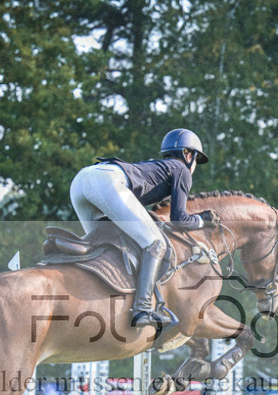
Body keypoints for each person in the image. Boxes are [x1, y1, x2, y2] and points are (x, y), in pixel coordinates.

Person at [70, 128, 216, 328]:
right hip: (107, 181)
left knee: (100, 244)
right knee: (155, 244)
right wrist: (202, 220)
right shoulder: (181, 169)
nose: (195, 165)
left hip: (82, 179)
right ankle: (142, 309)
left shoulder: (158, 165)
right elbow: (179, 219)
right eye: (196, 159)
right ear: (188, 155)